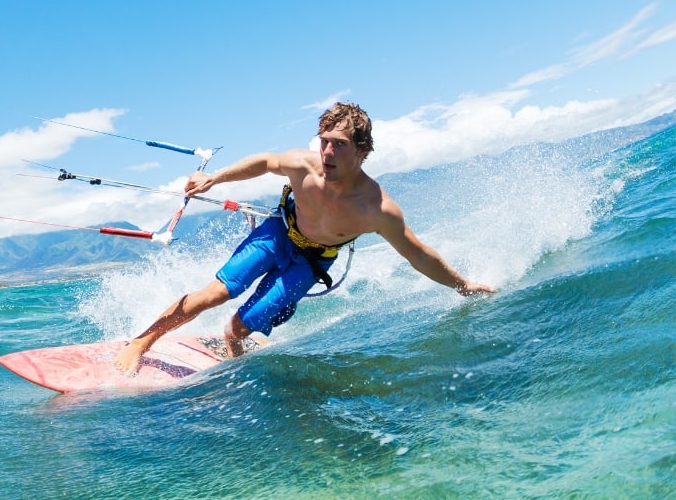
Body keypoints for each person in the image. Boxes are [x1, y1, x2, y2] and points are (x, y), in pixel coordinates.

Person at [114, 102, 494, 374]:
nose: (327, 152)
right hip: (279, 232)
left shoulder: (376, 208)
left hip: (312, 261)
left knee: (238, 327)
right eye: (324, 140)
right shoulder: (303, 166)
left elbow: (419, 255)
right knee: (214, 293)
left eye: (340, 145)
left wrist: (461, 285)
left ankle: (234, 359)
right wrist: (215, 179)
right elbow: (264, 161)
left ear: (362, 151)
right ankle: (141, 342)